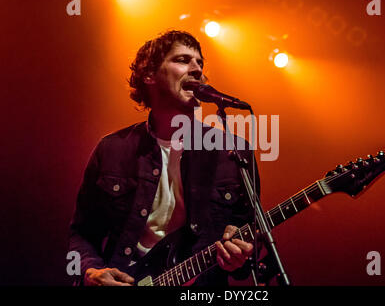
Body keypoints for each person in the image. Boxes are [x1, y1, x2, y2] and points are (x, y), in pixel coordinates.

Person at [68, 30, 259, 286]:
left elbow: (249, 241)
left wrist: (240, 257)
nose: (197, 70)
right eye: (182, 60)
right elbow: (82, 233)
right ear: (149, 75)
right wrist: (92, 272)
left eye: (200, 63)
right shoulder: (112, 149)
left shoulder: (233, 152)